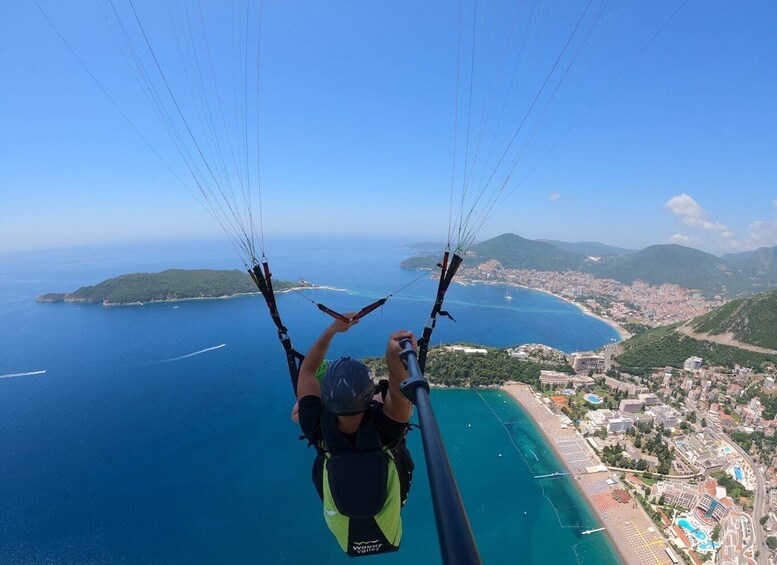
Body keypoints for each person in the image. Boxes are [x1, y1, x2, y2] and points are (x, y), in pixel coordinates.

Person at [296, 314, 415, 557]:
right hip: (386, 528)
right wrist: (394, 354)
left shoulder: (315, 425)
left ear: (324, 398)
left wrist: (333, 330)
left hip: (347, 536)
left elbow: (307, 371)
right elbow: (399, 390)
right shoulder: (387, 427)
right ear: (371, 394)